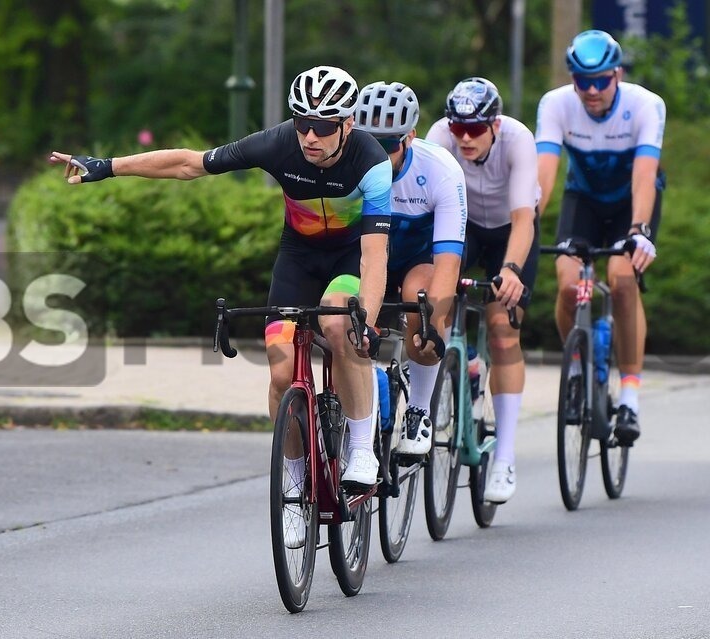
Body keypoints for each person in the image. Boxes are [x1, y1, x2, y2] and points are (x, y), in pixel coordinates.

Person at [49, 66, 393, 547]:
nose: (310, 136)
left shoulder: (371, 161)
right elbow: (190, 164)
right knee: (279, 373)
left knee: (341, 326)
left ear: (348, 124)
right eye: (301, 122)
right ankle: (296, 485)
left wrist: (368, 323)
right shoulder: (278, 144)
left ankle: (361, 451)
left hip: (347, 260)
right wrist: (104, 166)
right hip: (297, 259)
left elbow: (375, 255)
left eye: (323, 125)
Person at [536, 30, 664, 446]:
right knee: (570, 284)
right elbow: (544, 175)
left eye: (601, 81)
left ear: (617, 75)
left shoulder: (645, 105)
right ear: (572, 79)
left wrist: (639, 230)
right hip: (584, 202)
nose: (591, 91)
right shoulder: (556, 104)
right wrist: (526, 225)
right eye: (582, 81)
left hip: (632, 204)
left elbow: (644, 177)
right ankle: (575, 369)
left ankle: (629, 395)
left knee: (623, 282)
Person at [426, 77, 539, 503]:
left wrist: (510, 269)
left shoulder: (518, 139)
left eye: (475, 129)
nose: (466, 138)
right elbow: (432, 210)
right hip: (463, 224)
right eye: (459, 129)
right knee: (436, 300)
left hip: (512, 229)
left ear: (494, 124)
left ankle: (505, 456)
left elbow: (524, 218)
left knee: (502, 327)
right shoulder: (441, 136)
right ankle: (465, 364)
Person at [354, 81, 465, 456]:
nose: (380, 156)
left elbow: (448, 259)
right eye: (371, 143)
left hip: (417, 260)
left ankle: (419, 409)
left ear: (410, 137)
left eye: (389, 145)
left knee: (421, 301)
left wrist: (435, 322)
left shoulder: (440, 170)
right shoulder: (345, 164)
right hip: (367, 259)